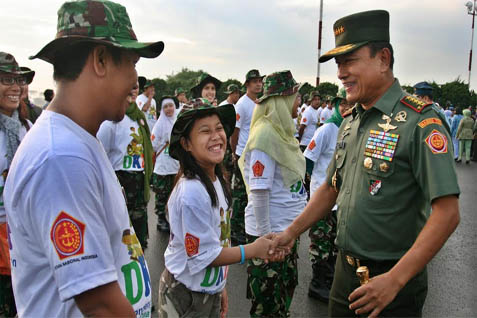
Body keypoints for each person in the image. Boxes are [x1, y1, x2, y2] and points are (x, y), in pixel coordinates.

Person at [271, 10, 460, 317]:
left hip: (393, 280)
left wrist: (395, 280)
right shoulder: (351, 120)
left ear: (383, 59)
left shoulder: (419, 123)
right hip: (344, 274)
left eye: (349, 61)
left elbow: (447, 212)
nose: (341, 73)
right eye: (338, 64)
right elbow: (331, 188)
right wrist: (291, 232)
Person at [4, 1, 164, 316]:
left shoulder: (76, 140)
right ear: (101, 59)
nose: (135, 81)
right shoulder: (62, 158)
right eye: (132, 62)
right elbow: (100, 305)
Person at [158, 98, 274, 317]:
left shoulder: (216, 180)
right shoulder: (192, 191)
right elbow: (204, 255)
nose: (216, 136)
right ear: (186, 144)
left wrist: (219, 287)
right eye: (204, 131)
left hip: (205, 288)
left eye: (219, 128)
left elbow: (218, 240)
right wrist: (252, 250)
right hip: (185, 294)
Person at [239, 70, 307, 318]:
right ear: (282, 100)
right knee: (267, 303)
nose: (299, 102)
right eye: (295, 96)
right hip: (271, 235)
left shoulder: (282, 133)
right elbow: (259, 192)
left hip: (285, 231)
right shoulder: (265, 136)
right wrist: (267, 242)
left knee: (283, 293)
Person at [304, 88, 350, 303]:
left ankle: (328, 276)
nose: (348, 109)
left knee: (333, 240)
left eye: (351, 105)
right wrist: (316, 184)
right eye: (344, 104)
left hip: (340, 198)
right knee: (320, 239)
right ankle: (317, 282)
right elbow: (309, 159)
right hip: (322, 196)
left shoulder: (351, 128)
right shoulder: (327, 129)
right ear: (336, 105)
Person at [97, 81, 153, 248]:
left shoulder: (139, 118)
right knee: (120, 230)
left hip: (139, 179)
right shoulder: (110, 120)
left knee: (139, 228)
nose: (133, 91)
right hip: (120, 178)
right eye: (129, 86)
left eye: (135, 87)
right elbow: (101, 154)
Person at [0, 52, 34, 318]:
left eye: (17, 79)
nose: (14, 86)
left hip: (23, 234)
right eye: (4, 79)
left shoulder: (27, 126)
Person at [229, 69, 264, 246]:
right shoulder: (242, 104)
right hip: (243, 153)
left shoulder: (260, 102)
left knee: (251, 194)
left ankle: (244, 226)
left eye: (260, 81)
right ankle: (235, 230)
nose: (259, 84)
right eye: (255, 81)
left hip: (254, 153)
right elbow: (234, 131)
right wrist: (235, 152)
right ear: (247, 85)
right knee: (241, 194)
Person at [150, 96, 179, 232]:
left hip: (176, 166)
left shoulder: (178, 122)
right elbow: (153, 146)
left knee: (175, 194)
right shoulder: (159, 125)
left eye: (170, 106)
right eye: (165, 107)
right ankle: (161, 219)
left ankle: (173, 218)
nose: (169, 109)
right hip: (163, 167)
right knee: (162, 195)